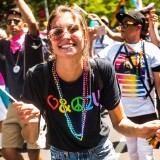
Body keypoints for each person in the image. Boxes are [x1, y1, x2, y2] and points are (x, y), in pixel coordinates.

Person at [12, 5, 160, 160]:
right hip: (62, 155)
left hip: (101, 153)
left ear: (84, 34)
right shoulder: (37, 76)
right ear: (49, 38)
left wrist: (141, 130)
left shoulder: (102, 69)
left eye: (73, 29)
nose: (66, 36)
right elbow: (30, 138)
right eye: (57, 31)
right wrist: (32, 122)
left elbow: (119, 122)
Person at [98, 10, 160, 160]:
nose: (122, 27)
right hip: (124, 117)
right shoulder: (113, 50)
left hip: (147, 115)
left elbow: (159, 85)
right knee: (133, 154)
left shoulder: (152, 51)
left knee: (146, 154)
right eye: (121, 24)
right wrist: (88, 38)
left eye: (126, 24)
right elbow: (89, 64)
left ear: (139, 27)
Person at [0, 0, 47, 160]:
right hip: (14, 105)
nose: (12, 24)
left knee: (34, 153)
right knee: (7, 151)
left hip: (33, 104)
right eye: (9, 21)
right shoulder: (4, 46)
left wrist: (18, 1)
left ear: (22, 23)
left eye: (16, 20)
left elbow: (33, 24)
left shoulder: (30, 41)